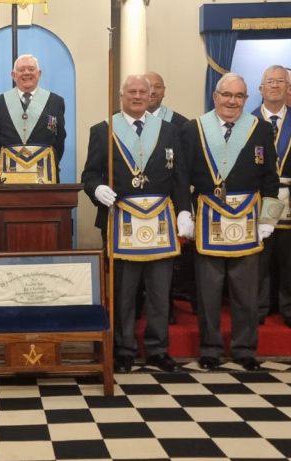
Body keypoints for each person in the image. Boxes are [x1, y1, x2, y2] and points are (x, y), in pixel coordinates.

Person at [175, 73, 281, 371]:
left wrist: (268, 218)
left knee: (246, 292)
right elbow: (181, 175)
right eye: (227, 95)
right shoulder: (193, 129)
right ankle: (210, 348)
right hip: (208, 213)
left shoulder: (258, 129)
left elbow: (271, 178)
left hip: (247, 217)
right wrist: (184, 211)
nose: (232, 101)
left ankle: (245, 348)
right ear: (215, 96)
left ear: (246, 99)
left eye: (239, 96)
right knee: (208, 291)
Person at [82, 75, 182, 373]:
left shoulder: (169, 130)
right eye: (132, 91)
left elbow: (180, 176)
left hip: (161, 220)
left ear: (151, 95)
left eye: (143, 92)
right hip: (120, 221)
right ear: (121, 95)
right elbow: (91, 174)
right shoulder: (103, 130)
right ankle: (123, 350)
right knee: (124, 291)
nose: (138, 96)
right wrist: (97, 190)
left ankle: (158, 349)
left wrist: (185, 212)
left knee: (159, 291)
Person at [250, 65, 291, 330]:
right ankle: (259, 306)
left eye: (280, 82)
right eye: (269, 81)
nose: (275, 86)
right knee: (260, 257)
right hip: (259, 199)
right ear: (260, 88)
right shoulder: (246, 121)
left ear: (288, 88)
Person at [0, 54, 66, 180]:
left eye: (31, 69)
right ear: (13, 75)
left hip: (44, 175)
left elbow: (60, 139)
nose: (26, 73)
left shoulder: (55, 102)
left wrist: (50, 161)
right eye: (21, 70)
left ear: (39, 73)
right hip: (9, 176)